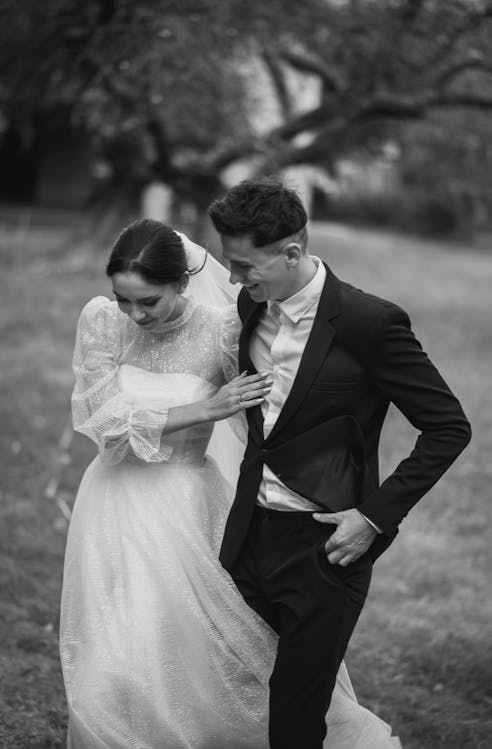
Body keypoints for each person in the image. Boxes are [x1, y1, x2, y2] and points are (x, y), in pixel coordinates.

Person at [60, 219, 402, 748]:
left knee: (189, 645)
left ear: (181, 282)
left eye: (148, 301)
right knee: (110, 648)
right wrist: (202, 408)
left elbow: (270, 416)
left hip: (185, 503)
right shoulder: (102, 322)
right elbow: (101, 425)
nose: (136, 314)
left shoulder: (222, 330)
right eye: (124, 300)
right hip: (109, 503)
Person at [208, 177, 472, 749]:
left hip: (325, 548)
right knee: (231, 688)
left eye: (243, 264)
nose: (234, 278)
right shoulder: (252, 305)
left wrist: (374, 517)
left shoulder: (369, 323)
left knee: (296, 717)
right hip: (248, 534)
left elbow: (449, 427)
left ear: (293, 253)